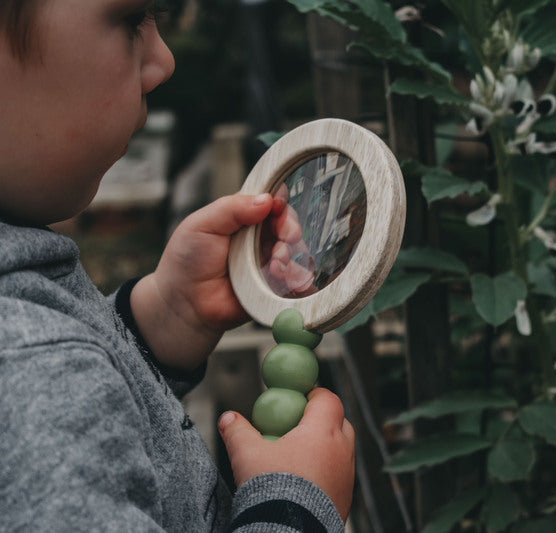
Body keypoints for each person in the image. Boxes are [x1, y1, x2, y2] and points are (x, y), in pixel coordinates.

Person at [0, 1, 355, 531]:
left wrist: (162, 320)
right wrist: (291, 509)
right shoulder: (35, 383)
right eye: (130, 20)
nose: (163, 61)